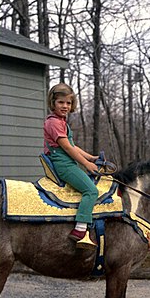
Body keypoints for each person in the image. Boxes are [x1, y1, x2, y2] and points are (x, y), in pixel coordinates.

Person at [43, 83, 99, 248]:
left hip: (67, 161)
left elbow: (72, 146)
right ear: (53, 103)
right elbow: (67, 148)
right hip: (63, 165)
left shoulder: (61, 122)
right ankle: (80, 229)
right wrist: (87, 164)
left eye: (68, 103)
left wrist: (91, 157)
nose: (65, 106)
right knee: (91, 190)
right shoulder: (53, 123)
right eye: (61, 102)